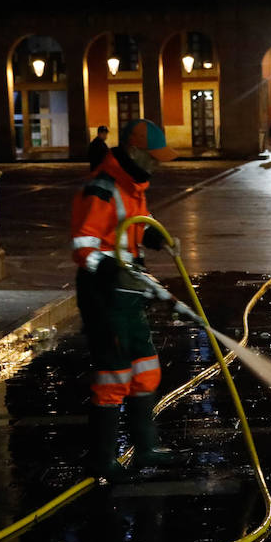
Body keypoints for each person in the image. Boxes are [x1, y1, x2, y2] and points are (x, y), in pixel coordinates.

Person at [72, 119, 183, 482]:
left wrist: (157, 239)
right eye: (154, 157)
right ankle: (102, 459)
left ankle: (146, 447)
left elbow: (137, 222)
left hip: (127, 290)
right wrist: (113, 273)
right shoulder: (103, 187)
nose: (158, 164)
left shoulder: (133, 185)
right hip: (104, 295)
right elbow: (84, 247)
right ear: (135, 152)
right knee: (114, 373)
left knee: (145, 368)